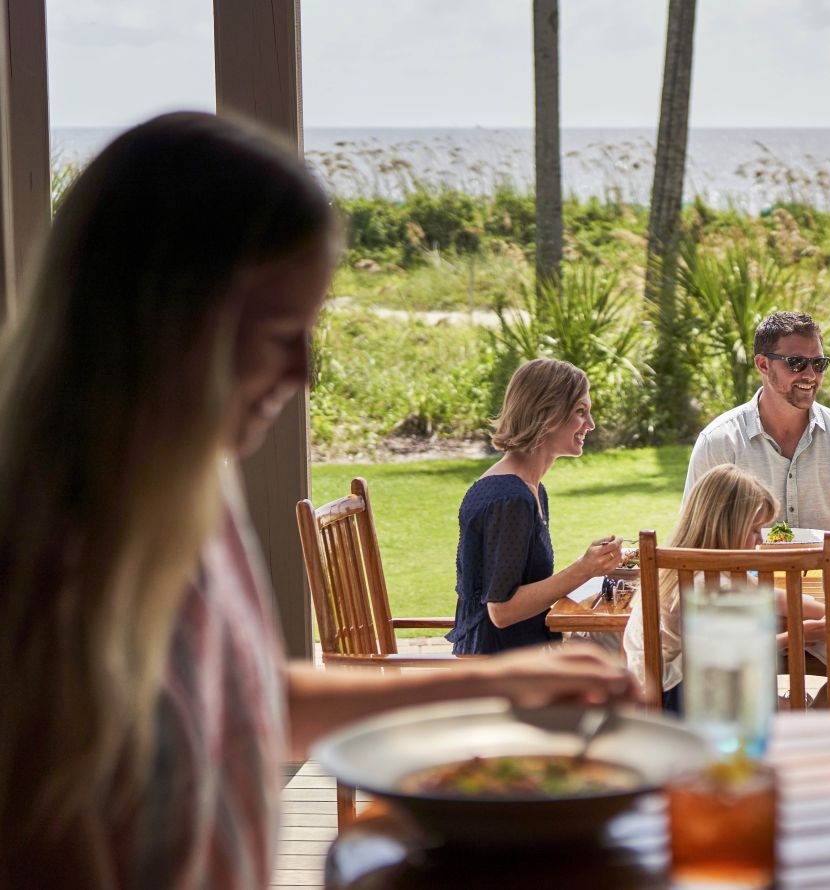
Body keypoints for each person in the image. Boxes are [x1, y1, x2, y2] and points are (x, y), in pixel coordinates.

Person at [0, 113, 635, 887]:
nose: (302, 372)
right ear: (157, 319)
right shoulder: (44, 555)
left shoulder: (192, 484)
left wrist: (498, 683)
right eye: (276, 329)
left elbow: (246, 696)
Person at [622, 464, 830, 709]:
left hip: (677, 687)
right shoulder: (697, 582)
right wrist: (799, 634)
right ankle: (798, 731)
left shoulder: (709, 569)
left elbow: (782, 599)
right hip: (672, 696)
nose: (760, 540)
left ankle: (798, 727)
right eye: (755, 530)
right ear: (726, 527)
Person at [449, 359, 624, 655]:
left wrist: (591, 567)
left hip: (526, 651)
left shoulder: (530, 488)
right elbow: (501, 611)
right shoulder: (509, 497)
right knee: (631, 659)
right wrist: (584, 569)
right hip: (505, 667)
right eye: (581, 412)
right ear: (548, 415)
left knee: (623, 648)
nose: (590, 425)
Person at [683, 311, 830, 547]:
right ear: (763, 364)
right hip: (744, 583)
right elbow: (695, 542)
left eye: (819, 364)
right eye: (797, 363)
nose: (810, 375)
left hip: (826, 582)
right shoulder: (719, 442)